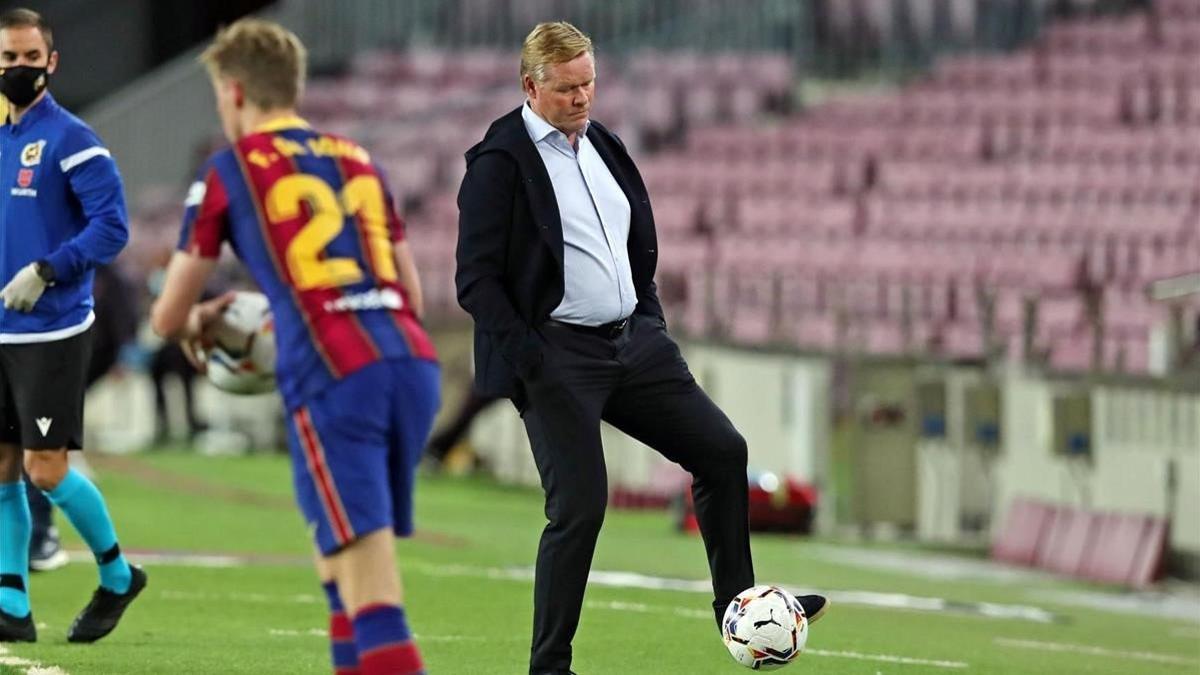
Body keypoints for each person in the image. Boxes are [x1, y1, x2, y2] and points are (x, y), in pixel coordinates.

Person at [455, 22, 829, 674]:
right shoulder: (499, 162)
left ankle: (740, 613)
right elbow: (475, 280)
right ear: (530, 86)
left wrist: (648, 317)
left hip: (633, 342)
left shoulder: (604, 143)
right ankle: (550, 666)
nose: (582, 97)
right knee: (579, 507)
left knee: (721, 452)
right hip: (557, 355)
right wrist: (531, 356)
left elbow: (636, 244)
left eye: (589, 82)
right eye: (567, 87)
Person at [151, 19, 439, 675]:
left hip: (337, 374)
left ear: (233, 92)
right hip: (410, 361)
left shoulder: (227, 171)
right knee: (338, 563)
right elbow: (411, 293)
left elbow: (168, 317)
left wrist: (205, 318)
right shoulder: (358, 156)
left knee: (372, 584)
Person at [0, 8, 145, 644]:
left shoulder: (73, 138)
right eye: (8, 59)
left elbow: (112, 226)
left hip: (51, 329)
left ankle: (117, 576)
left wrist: (48, 269)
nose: (18, 70)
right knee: (1, 464)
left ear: (51, 63)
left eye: (30, 59)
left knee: (46, 469)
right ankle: (10, 601)